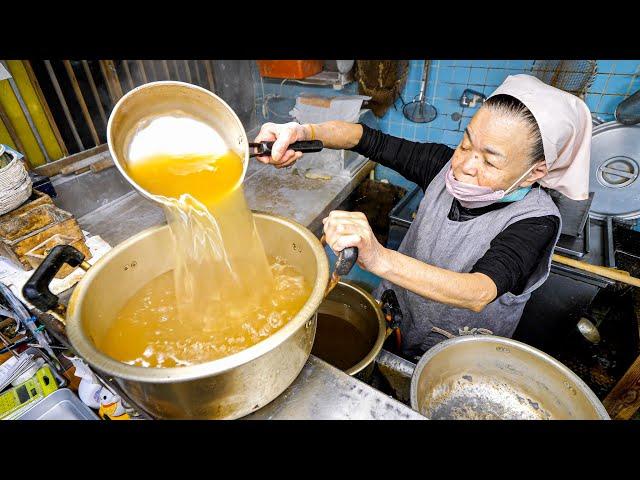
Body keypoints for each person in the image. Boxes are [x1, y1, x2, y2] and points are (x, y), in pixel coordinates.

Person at [253, 74, 592, 358]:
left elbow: (479, 291)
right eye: (465, 143)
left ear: (535, 172)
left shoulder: (536, 222)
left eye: (489, 161)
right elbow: (363, 137)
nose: (464, 166)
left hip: (454, 353)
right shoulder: (442, 167)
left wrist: (379, 257)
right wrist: (304, 132)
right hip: (396, 314)